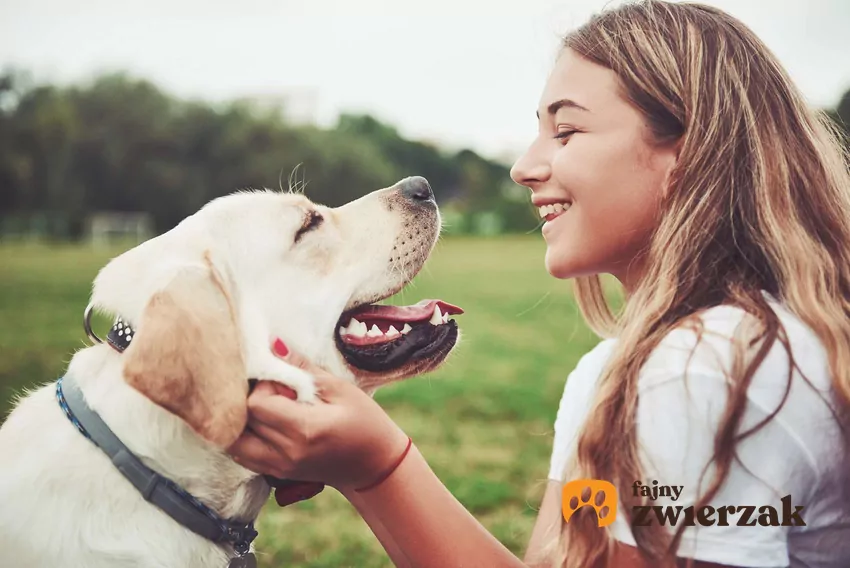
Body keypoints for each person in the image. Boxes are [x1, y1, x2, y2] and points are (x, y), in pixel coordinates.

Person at [227, 1, 850, 566]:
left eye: (567, 131)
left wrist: (377, 468)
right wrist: (368, 465)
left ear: (689, 153)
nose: (524, 167)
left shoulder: (704, 369)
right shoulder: (616, 374)